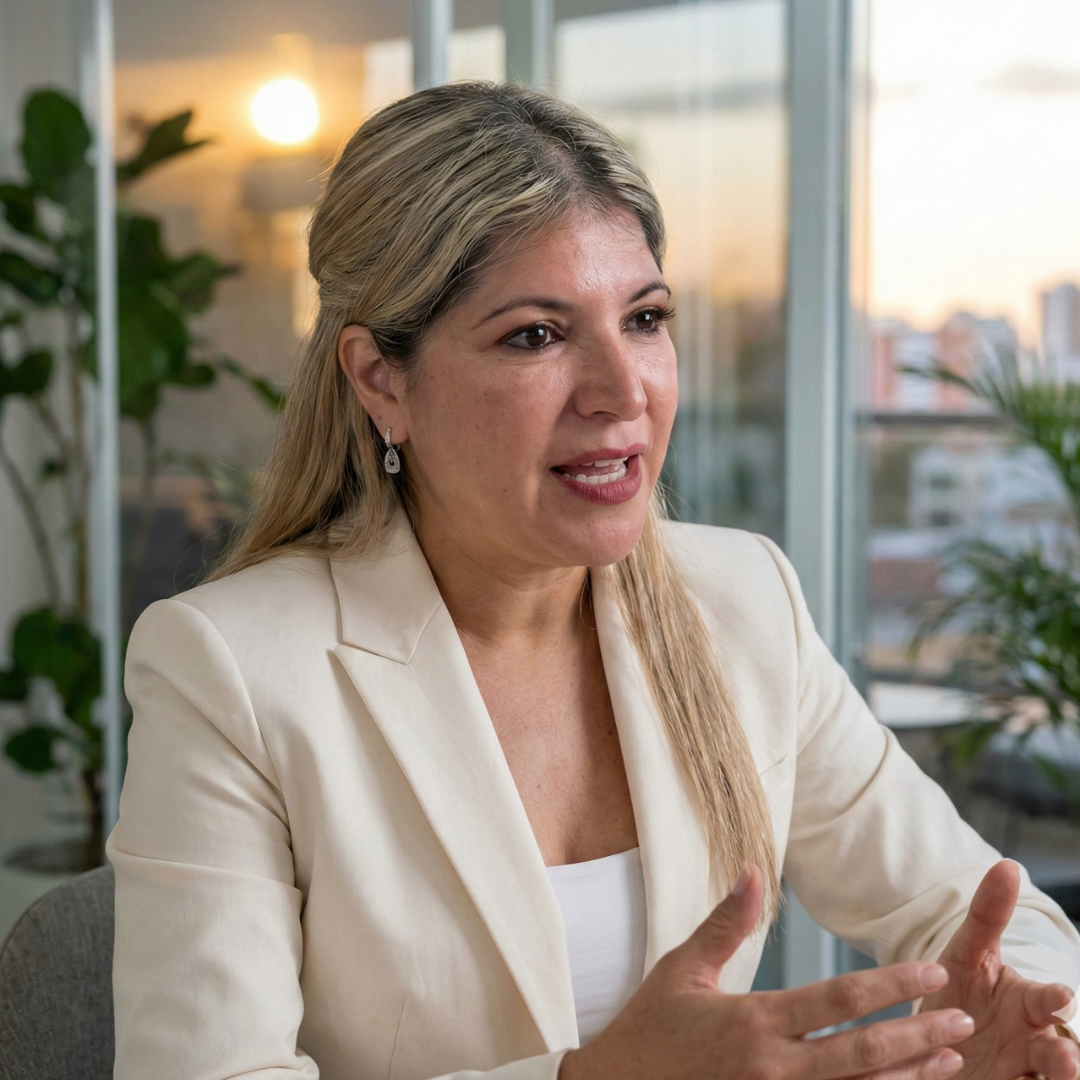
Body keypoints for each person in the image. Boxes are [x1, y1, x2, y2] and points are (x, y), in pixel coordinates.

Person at [109, 82, 1080, 1080]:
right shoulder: (229, 668)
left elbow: (983, 909)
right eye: (537, 334)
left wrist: (1030, 1021)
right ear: (379, 379)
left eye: (646, 318)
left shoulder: (741, 599)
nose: (624, 392)